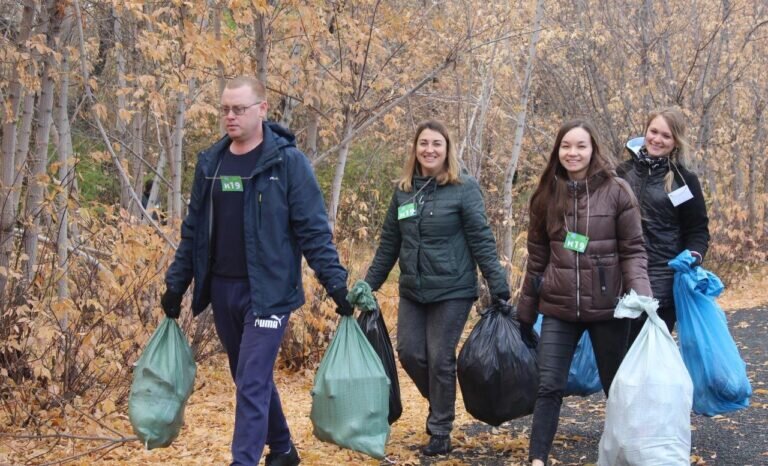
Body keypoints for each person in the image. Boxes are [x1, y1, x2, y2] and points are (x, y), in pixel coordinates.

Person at [160, 76, 353, 466]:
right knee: (249, 377)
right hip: (223, 289)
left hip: (270, 293)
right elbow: (193, 231)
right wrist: (176, 285)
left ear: (262, 109)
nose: (230, 117)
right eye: (225, 110)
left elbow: (313, 230)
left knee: (250, 381)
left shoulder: (288, 163)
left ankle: (243, 460)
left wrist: (337, 285)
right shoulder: (211, 163)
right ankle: (282, 450)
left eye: (238, 109)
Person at [362, 119, 510, 456]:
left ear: (447, 150)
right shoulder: (403, 190)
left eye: (437, 144)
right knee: (410, 353)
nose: (429, 149)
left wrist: (497, 284)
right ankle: (444, 400)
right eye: (424, 143)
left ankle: (440, 428)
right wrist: (368, 285)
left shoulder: (463, 188)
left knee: (440, 357)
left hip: (453, 288)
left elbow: (481, 239)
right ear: (415, 149)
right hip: (413, 289)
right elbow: (389, 244)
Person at [516, 120, 652, 465]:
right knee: (548, 386)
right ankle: (537, 459)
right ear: (557, 151)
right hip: (559, 307)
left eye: (580, 146)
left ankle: (630, 454)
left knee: (615, 388)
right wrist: (526, 310)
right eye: (566, 146)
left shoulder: (618, 191)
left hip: (608, 308)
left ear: (593, 150)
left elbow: (634, 251)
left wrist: (642, 297)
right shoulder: (546, 195)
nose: (572, 153)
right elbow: (537, 258)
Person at [618, 106, 710, 342]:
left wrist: (694, 256)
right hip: (621, 278)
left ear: (676, 142)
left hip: (663, 281)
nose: (657, 139)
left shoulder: (683, 180)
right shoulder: (622, 173)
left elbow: (697, 229)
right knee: (621, 357)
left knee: (650, 356)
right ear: (645, 132)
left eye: (666, 135)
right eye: (654, 131)